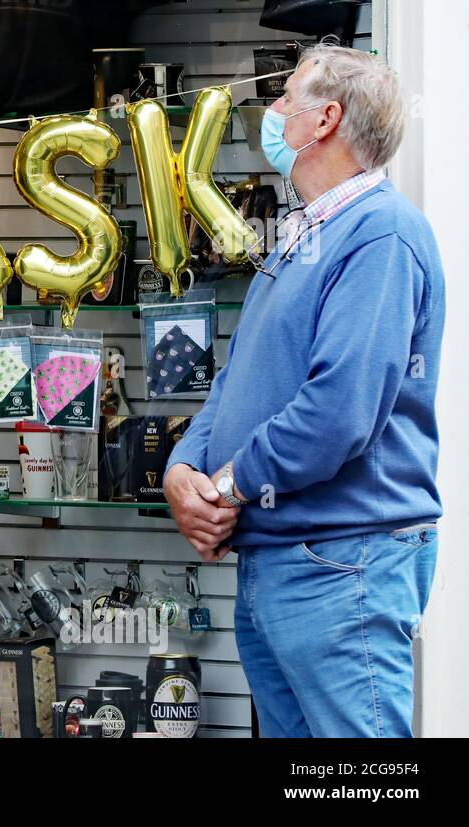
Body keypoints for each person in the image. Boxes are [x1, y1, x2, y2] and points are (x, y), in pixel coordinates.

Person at [163, 45, 443, 737]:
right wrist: (182, 471)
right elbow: (237, 380)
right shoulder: (301, 238)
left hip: (340, 562)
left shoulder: (380, 233)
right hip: (283, 557)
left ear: (326, 118)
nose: (273, 111)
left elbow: (338, 410)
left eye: (285, 97)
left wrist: (225, 488)